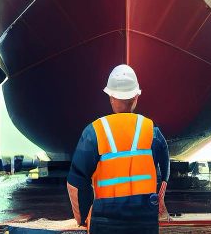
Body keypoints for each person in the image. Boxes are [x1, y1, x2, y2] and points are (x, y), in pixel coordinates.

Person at [66, 64, 170, 233]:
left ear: (111, 97)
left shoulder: (94, 131)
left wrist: (83, 218)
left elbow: (75, 183)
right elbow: (163, 174)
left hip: (105, 221)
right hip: (144, 220)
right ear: (136, 97)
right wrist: (158, 206)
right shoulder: (151, 130)